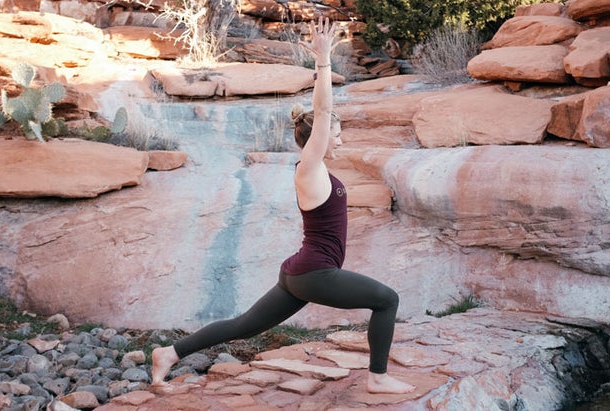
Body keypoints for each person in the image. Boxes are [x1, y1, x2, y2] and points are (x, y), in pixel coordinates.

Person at [151, 17, 415, 395]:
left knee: (244, 325)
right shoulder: (309, 169)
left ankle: (169, 354)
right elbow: (323, 113)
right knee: (387, 300)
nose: (340, 140)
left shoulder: (320, 172)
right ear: (318, 140)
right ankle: (378, 378)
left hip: (300, 273)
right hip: (314, 274)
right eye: (337, 135)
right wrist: (323, 61)